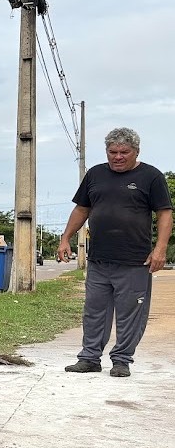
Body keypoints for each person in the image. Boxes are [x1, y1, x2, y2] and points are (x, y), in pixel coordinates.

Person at [58, 127, 172, 377]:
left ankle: (122, 360)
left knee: (130, 312)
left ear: (136, 152)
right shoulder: (95, 174)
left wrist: (160, 249)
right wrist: (65, 238)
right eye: (113, 152)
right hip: (99, 259)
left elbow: (164, 213)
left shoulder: (151, 176)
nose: (118, 157)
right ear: (106, 152)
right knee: (94, 310)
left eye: (124, 152)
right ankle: (89, 358)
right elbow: (81, 209)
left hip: (135, 260)